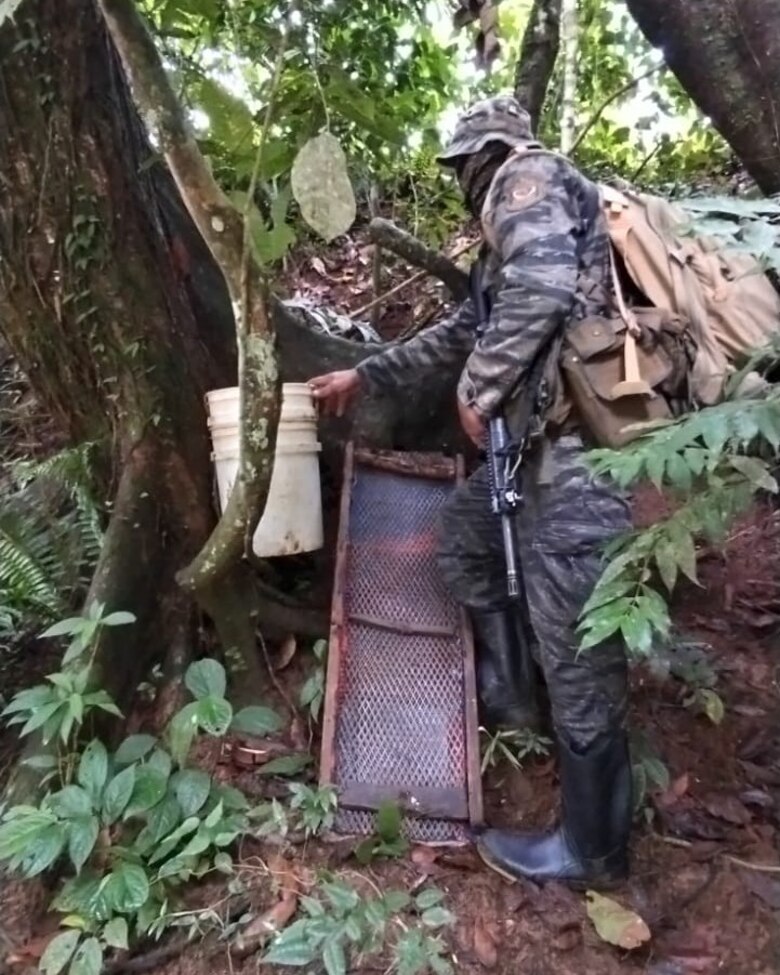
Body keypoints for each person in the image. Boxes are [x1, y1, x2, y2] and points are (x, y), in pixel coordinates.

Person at [308, 95, 632, 889]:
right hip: (532, 455)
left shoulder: (527, 178)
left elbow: (543, 291)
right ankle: (513, 697)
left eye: (461, 166)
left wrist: (479, 390)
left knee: (578, 643)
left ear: (481, 156)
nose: (462, 182)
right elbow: (465, 329)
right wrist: (366, 373)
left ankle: (595, 849)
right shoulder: (504, 245)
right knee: (465, 537)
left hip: (576, 459)